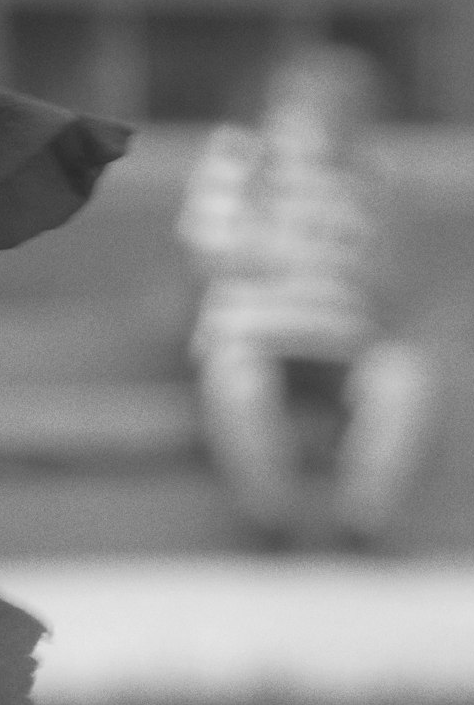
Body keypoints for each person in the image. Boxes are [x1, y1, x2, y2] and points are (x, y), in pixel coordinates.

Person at [176, 44, 435, 550]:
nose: (322, 117)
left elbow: (390, 276)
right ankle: (271, 523)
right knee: (239, 386)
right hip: (253, 335)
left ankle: (362, 523)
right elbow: (206, 249)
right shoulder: (239, 159)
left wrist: (360, 226)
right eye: (307, 103)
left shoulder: (369, 177)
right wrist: (285, 228)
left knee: (404, 382)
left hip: (343, 343)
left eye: (341, 107)